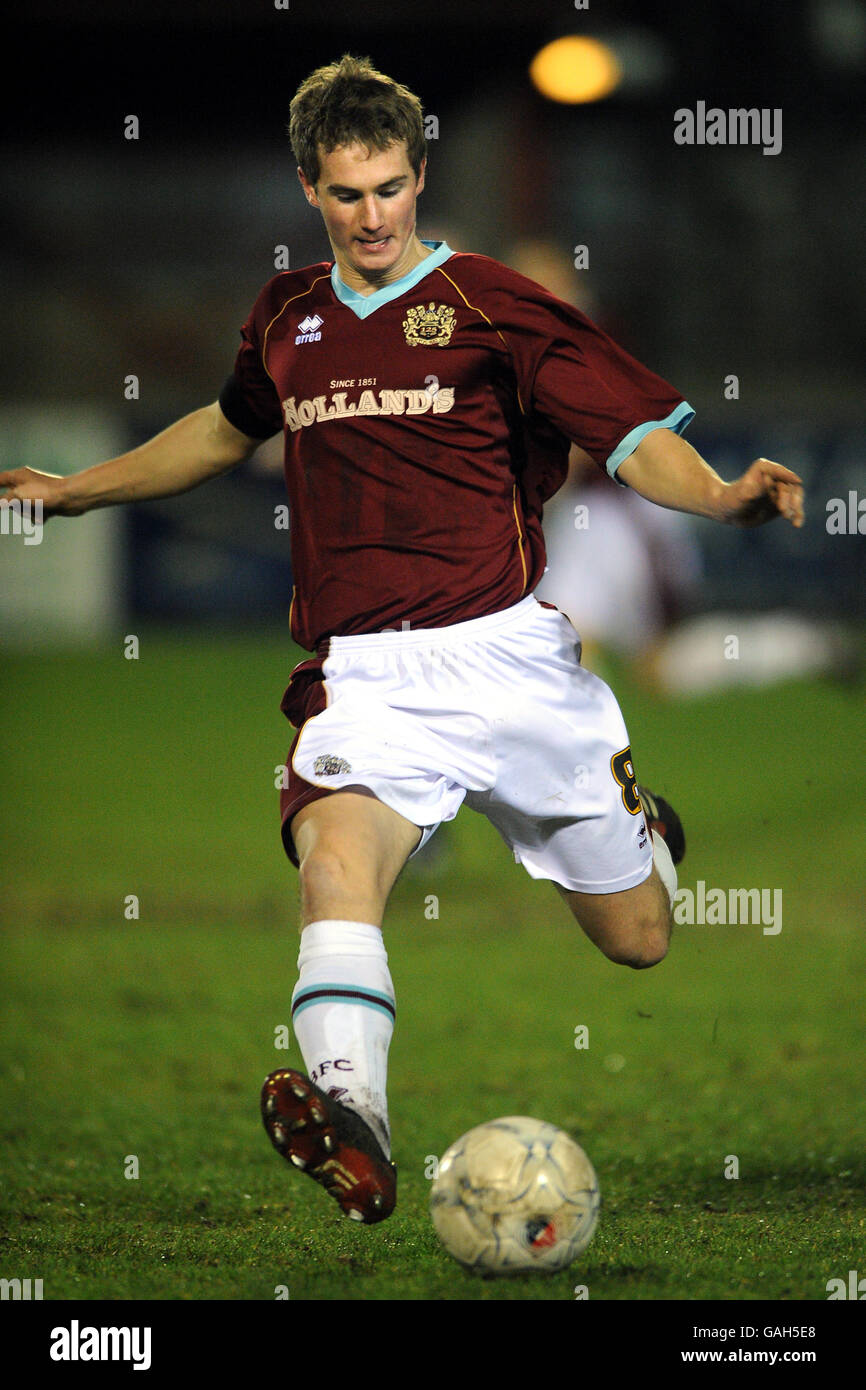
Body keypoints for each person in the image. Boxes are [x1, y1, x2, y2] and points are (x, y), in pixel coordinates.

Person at [0, 54, 804, 1226]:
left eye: (388, 188)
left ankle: (647, 834)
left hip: (514, 662)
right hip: (367, 676)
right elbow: (224, 433)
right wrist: (76, 491)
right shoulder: (287, 317)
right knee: (333, 866)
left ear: (419, 176)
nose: (370, 215)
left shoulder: (491, 302)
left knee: (638, 940)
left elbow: (629, 436)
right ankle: (355, 1122)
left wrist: (722, 495)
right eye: (344, 193)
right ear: (308, 190)